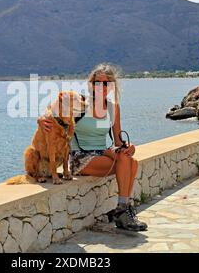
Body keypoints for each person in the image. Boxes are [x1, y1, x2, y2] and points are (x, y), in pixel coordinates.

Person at [38, 63, 147, 231]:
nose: (101, 86)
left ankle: (122, 208)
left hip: (102, 152)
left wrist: (128, 146)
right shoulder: (79, 103)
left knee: (130, 160)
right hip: (79, 156)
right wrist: (42, 119)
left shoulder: (113, 107)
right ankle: (123, 211)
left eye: (106, 83)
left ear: (112, 86)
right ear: (91, 84)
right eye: (98, 82)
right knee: (125, 163)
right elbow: (51, 110)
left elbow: (118, 141)